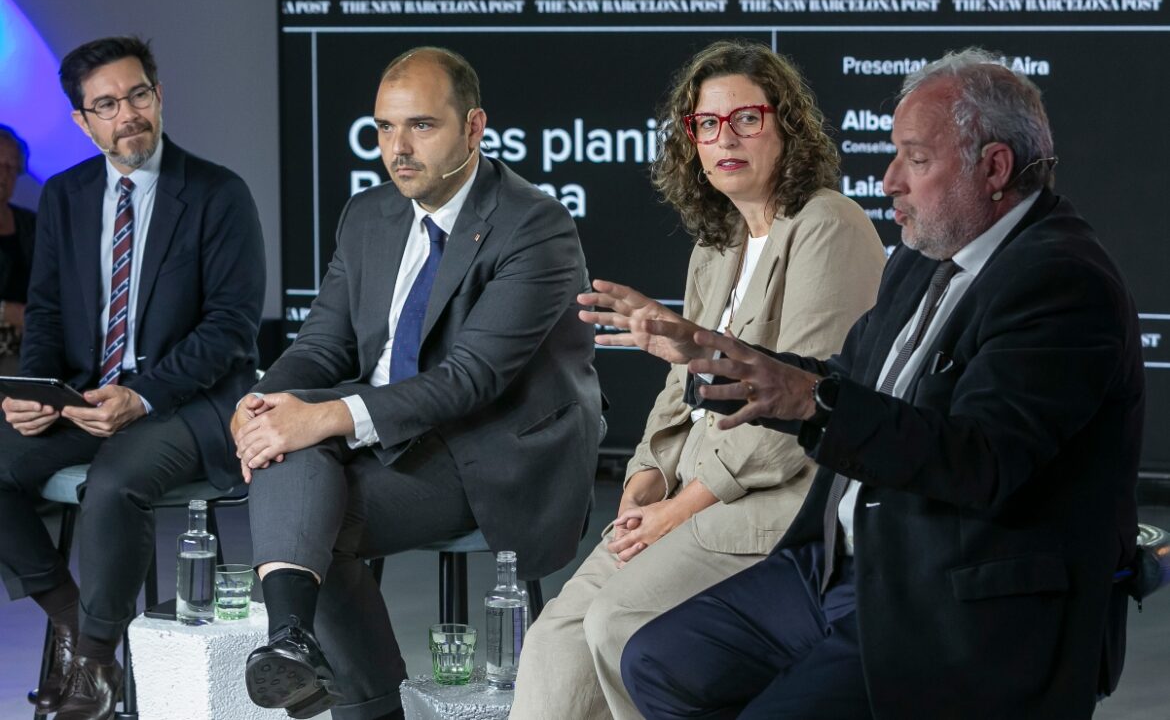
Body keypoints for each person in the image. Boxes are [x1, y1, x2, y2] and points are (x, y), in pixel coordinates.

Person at [607, 48, 1143, 719]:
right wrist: (722, 358)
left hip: (943, 601)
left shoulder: (1062, 283)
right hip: (835, 564)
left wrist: (812, 398)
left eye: (915, 160)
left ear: (996, 168)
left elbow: (982, 460)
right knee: (657, 661)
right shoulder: (922, 259)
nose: (889, 180)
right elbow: (849, 383)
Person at [510, 40, 885, 720]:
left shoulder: (830, 225)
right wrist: (644, 483)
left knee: (616, 626)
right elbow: (676, 394)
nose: (724, 138)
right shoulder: (718, 247)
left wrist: (674, 514)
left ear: (787, 125)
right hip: (685, 498)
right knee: (552, 644)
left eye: (746, 118)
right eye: (706, 124)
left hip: (774, 505)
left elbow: (799, 413)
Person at [233, 46, 602, 720]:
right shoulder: (369, 214)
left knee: (320, 509)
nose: (396, 148)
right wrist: (260, 404)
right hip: (383, 430)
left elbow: (470, 380)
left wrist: (325, 416)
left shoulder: (536, 224)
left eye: (420, 127)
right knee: (285, 443)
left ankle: (357, 698)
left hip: (489, 449)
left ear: (474, 127)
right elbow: (321, 343)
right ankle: (291, 644)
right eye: (383, 128)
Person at [0, 36, 266, 720]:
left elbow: (231, 329)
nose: (128, 114)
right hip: (88, 398)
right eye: (107, 104)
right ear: (82, 121)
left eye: (138, 94)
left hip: (191, 402)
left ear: (159, 95)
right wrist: (35, 394)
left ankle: (93, 662)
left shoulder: (217, 193)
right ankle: (68, 616)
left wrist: (142, 394)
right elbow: (51, 313)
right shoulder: (66, 195)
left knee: (114, 483)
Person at [0, 126, 37, 374]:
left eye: (11, 167)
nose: (3, 175)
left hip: (29, 346)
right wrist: (5, 312)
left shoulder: (31, 224)